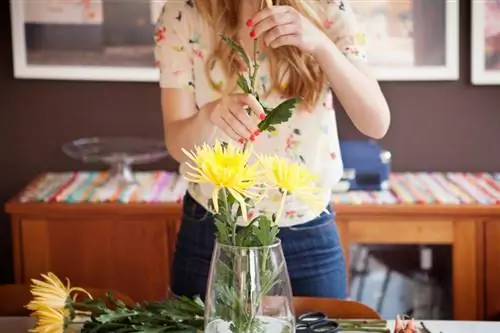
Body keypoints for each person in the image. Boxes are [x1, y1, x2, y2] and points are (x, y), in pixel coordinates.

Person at [154, 0, 390, 299]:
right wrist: (208, 115)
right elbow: (177, 143)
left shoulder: (328, 9)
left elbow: (376, 122)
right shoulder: (183, 13)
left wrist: (320, 45)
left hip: (307, 234)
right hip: (211, 231)